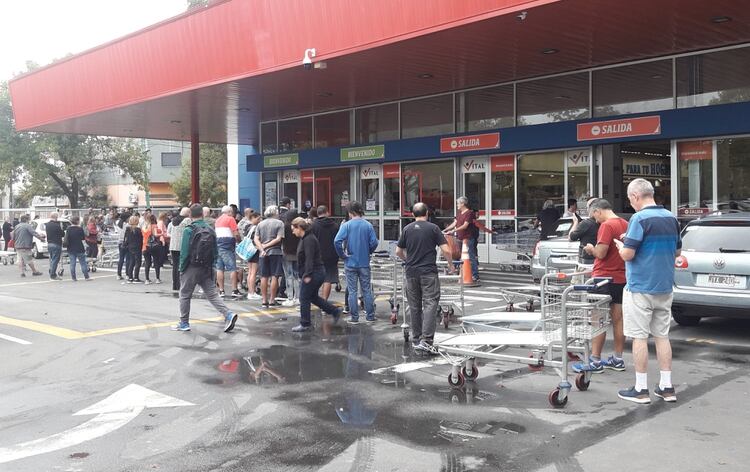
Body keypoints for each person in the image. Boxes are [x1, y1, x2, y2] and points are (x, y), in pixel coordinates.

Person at [615, 178, 681, 404]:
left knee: (639, 338)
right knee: (662, 336)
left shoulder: (639, 218)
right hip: (665, 286)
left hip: (640, 287)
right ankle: (667, 386)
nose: (631, 203)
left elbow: (628, 255)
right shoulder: (672, 217)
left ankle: (641, 389)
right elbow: (677, 252)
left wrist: (621, 246)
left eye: (630, 199)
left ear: (635, 196)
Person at [572, 198, 629, 374]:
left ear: (598, 211)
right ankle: (618, 358)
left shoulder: (606, 226)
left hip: (603, 277)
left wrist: (591, 249)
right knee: (619, 320)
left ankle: (595, 360)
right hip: (622, 277)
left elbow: (601, 253)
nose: (595, 220)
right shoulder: (626, 224)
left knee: (598, 320)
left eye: (594, 216)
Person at [396, 202, 454, 353]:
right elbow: (446, 250)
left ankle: (416, 340)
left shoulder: (407, 229)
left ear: (412, 214)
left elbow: (398, 251)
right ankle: (427, 341)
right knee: (430, 304)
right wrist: (451, 265)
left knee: (414, 306)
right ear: (427, 213)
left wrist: (407, 260)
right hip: (428, 272)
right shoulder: (433, 228)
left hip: (411, 273)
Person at [172, 204, 238, 333]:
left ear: (190, 215)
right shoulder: (210, 229)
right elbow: (215, 250)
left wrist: (182, 267)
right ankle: (228, 314)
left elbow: (184, 252)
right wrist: (212, 264)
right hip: (206, 267)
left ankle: (184, 322)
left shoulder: (189, 229)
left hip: (191, 267)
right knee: (212, 294)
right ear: (202, 214)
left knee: (185, 294)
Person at [290, 217, 343, 332]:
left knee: (304, 297)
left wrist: (307, 274)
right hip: (316, 272)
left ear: (299, 228)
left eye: (293, 229)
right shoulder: (306, 238)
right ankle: (334, 311)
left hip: (314, 273)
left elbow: (309, 258)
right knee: (313, 297)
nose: (293, 232)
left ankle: (305, 323)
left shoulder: (308, 240)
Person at [334, 201, 379, 324]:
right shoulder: (368, 225)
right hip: (364, 262)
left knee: (352, 291)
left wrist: (342, 255)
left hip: (350, 262)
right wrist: (368, 251)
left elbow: (337, 241)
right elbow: (375, 242)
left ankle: (354, 317)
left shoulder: (346, 226)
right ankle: (370, 316)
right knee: (366, 290)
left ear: (350, 212)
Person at [442, 196, 479, 282]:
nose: (457, 205)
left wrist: (453, 230)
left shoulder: (469, 213)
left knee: (470, 256)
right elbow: (455, 223)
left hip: (468, 239)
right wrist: (445, 230)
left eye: (458, 203)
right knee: (458, 256)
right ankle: (461, 272)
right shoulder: (459, 214)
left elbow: (465, 225)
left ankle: (475, 275)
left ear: (463, 204)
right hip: (460, 238)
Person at [254, 205, 285, 307]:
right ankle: (272, 299)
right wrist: (267, 246)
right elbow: (278, 239)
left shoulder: (260, 224)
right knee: (274, 276)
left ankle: (264, 300)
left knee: (264, 276)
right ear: (275, 213)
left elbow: (256, 239)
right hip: (275, 252)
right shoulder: (279, 223)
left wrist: (262, 248)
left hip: (262, 253)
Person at [311, 205, 339, 301]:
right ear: (327, 212)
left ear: (317, 213)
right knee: (328, 279)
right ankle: (324, 301)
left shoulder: (313, 226)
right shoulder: (335, 225)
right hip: (331, 255)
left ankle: (313, 299)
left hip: (317, 255)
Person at [215, 205, 242, 298]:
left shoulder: (217, 220)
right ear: (230, 212)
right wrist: (240, 241)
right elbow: (235, 233)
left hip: (218, 245)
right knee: (232, 268)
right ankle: (234, 290)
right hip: (227, 245)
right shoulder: (230, 219)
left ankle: (221, 290)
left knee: (219, 268)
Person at [279, 197, 300, 307]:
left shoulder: (284, 226)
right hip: (297, 253)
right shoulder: (299, 227)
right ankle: (297, 297)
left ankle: (290, 298)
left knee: (288, 276)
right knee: (297, 276)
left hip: (286, 253)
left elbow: (280, 240)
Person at [568, 197, 600, 270]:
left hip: (587, 261)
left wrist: (575, 222)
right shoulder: (604, 222)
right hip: (599, 260)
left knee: (578, 281)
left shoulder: (586, 223)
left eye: (587, 207)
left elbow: (570, 237)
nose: (587, 210)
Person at [168, 207, 191, 292]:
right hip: (182, 246)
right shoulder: (187, 220)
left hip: (173, 245)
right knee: (182, 266)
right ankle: (182, 284)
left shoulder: (174, 220)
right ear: (188, 213)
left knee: (175, 266)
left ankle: (175, 285)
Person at [64, 216, 90, 281]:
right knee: (83, 262)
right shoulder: (80, 229)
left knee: (72, 263)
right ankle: (86, 277)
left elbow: (67, 238)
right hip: (79, 247)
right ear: (77, 221)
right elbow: (83, 238)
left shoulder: (68, 229)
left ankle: (73, 277)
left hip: (71, 248)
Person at [244, 211, 262, 300]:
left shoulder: (247, 227)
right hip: (254, 251)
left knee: (250, 272)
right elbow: (256, 240)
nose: (259, 220)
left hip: (248, 251)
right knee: (253, 272)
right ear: (252, 218)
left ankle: (250, 292)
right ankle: (252, 292)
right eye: (258, 219)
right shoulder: (255, 228)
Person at [141, 214, 164, 284]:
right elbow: (155, 234)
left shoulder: (144, 226)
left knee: (147, 262)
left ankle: (147, 279)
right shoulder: (154, 225)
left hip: (145, 246)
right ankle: (157, 279)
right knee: (156, 261)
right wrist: (162, 234)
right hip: (154, 246)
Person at [124, 215, 143, 283]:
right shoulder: (138, 230)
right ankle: (136, 277)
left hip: (130, 247)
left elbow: (126, 239)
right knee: (138, 262)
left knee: (131, 262)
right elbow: (141, 239)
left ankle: (130, 277)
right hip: (137, 247)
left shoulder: (128, 229)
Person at [45, 212, 65, 280]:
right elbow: (62, 234)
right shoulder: (57, 225)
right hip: (56, 243)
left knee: (52, 259)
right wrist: (61, 228)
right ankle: (53, 274)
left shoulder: (47, 225)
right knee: (55, 259)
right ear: (56, 217)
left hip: (49, 243)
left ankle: (51, 270)